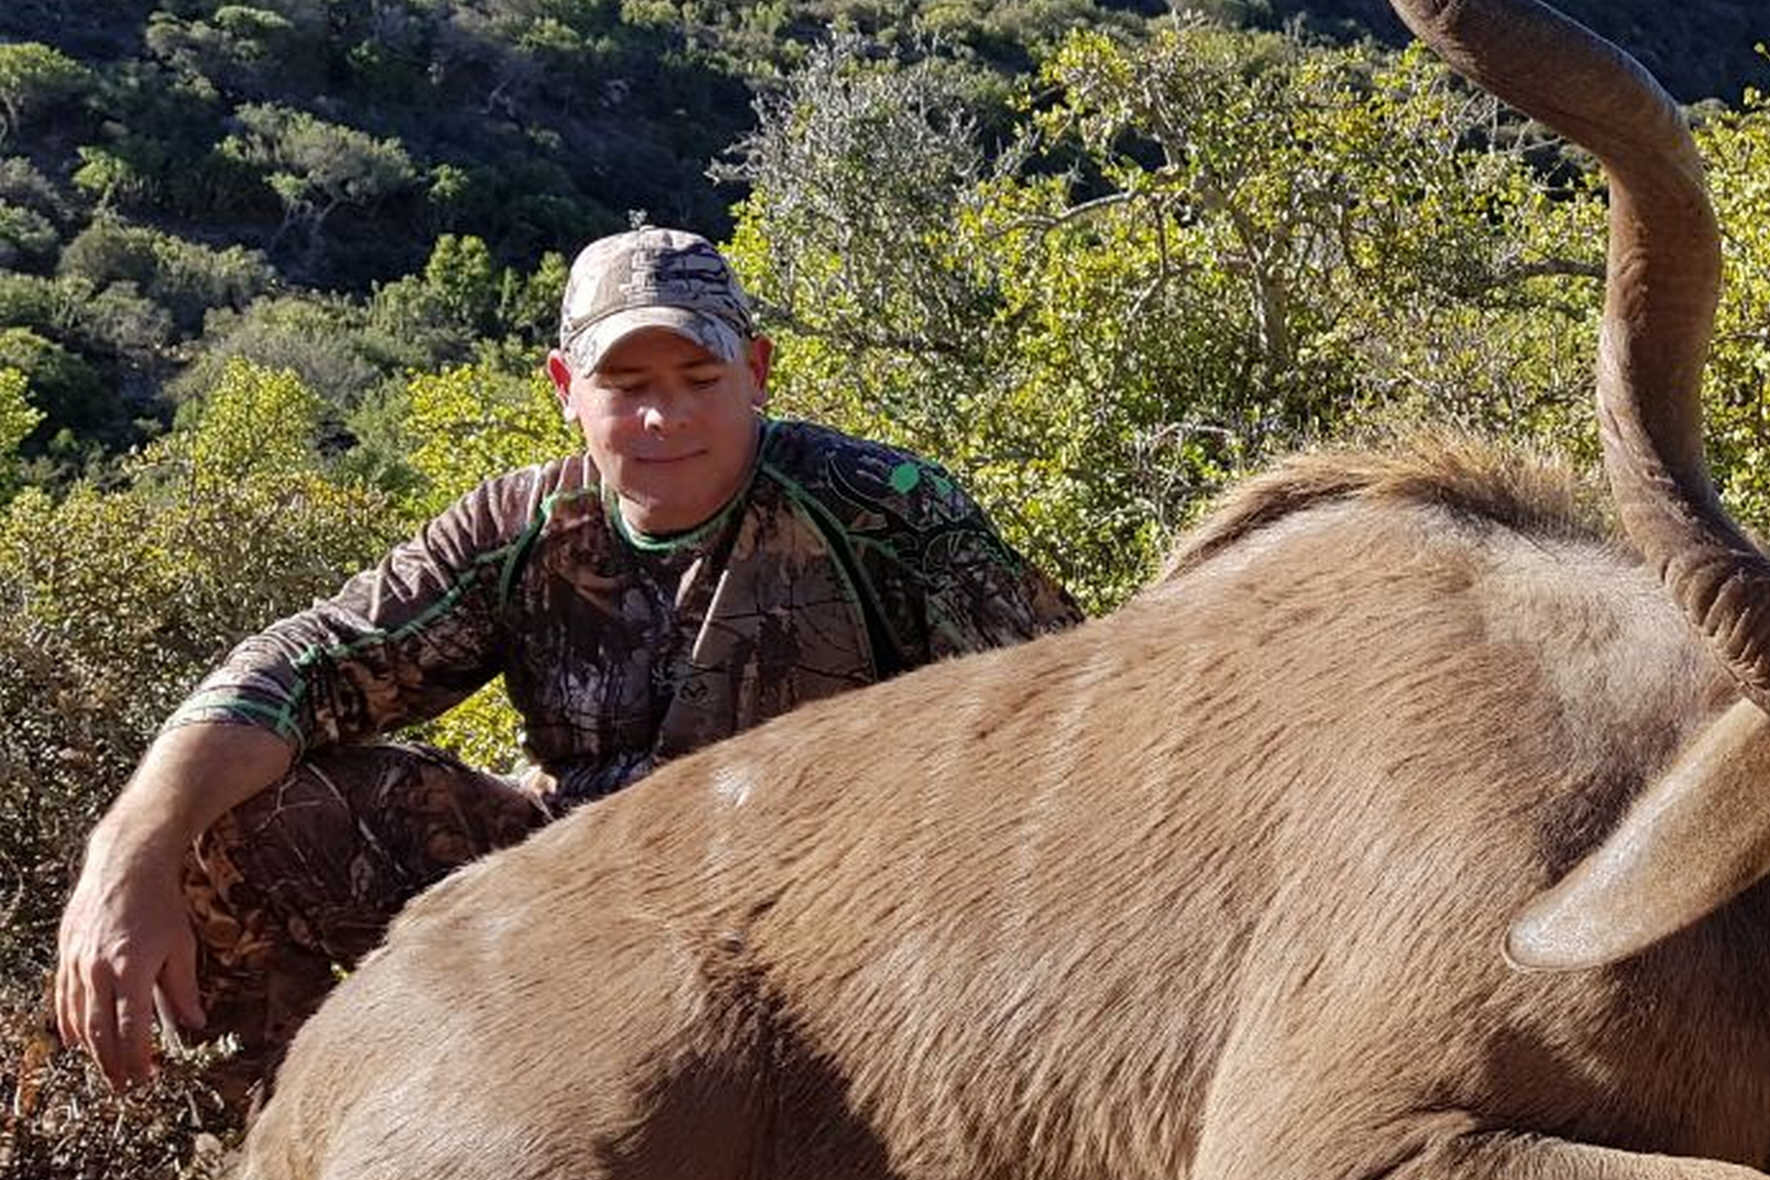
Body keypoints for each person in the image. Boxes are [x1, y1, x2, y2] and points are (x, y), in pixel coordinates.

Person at [53, 226, 1080, 1094]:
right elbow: (302, 667)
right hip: (573, 903)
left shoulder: (881, 505)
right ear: (564, 389)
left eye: (699, 378)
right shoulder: (519, 526)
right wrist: (126, 855)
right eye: (624, 383)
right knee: (230, 823)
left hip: (828, 913)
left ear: (757, 374)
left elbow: (1058, 704)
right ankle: (301, 1163)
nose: (664, 416)